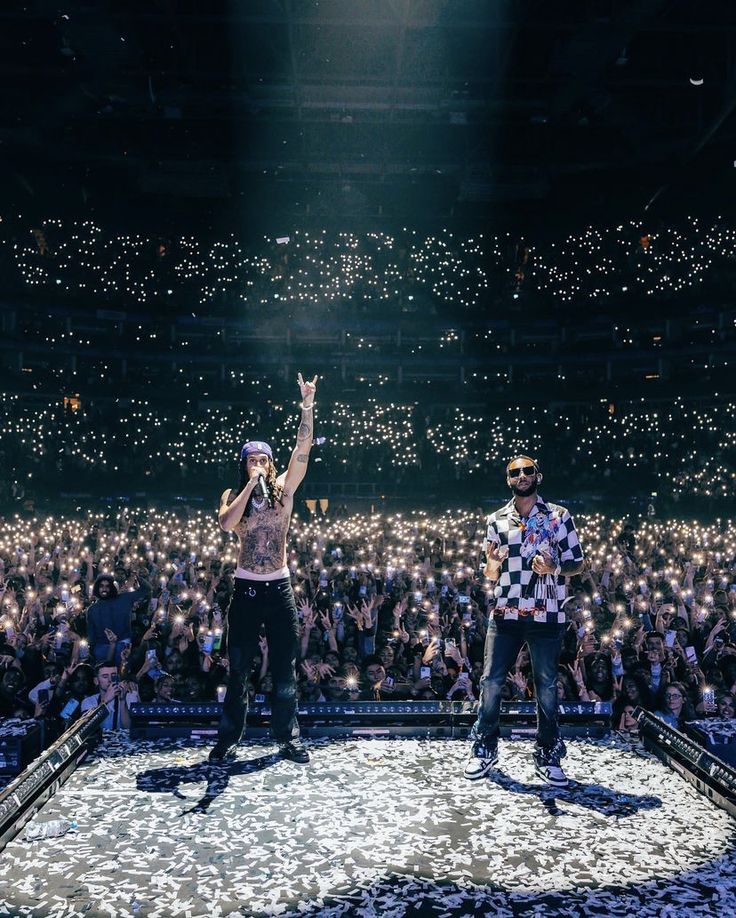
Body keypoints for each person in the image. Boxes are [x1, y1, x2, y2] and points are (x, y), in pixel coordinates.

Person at [209, 373, 317, 764]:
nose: (258, 464)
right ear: (244, 465)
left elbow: (302, 450)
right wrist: (248, 487)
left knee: (285, 670)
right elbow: (226, 523)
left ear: (271, 464)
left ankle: (288, 738)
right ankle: (228, 739)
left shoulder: (285, 491)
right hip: (246, 589)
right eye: (251, 460)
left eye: (263, 460)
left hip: (279, 589)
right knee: (239, 669)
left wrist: (307, 406)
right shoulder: (231, 495)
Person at [464, 456, 585, 788]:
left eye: (527, 470)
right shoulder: (496, 521)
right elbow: (490, 574)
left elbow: (578, 563)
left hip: (547, 614)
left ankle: (547, 753)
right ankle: (485, 745)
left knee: (546, 687)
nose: (521, 476)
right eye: (514, 472)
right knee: (490, 681)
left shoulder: (559, 517)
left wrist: (553, 568)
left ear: (538, 475)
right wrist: (490, 563)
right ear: (508, 481)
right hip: (506, 612)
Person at [86, 572, 151, 665]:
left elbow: (147, 589)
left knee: (121, 669)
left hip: (122, 643)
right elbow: (91, 636)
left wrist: (137, 576)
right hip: (102, 646)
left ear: (112, 587)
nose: (104, 589)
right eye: (101, 586)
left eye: (107, 586)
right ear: (97, 588)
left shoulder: (125, 598)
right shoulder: (92, 609)